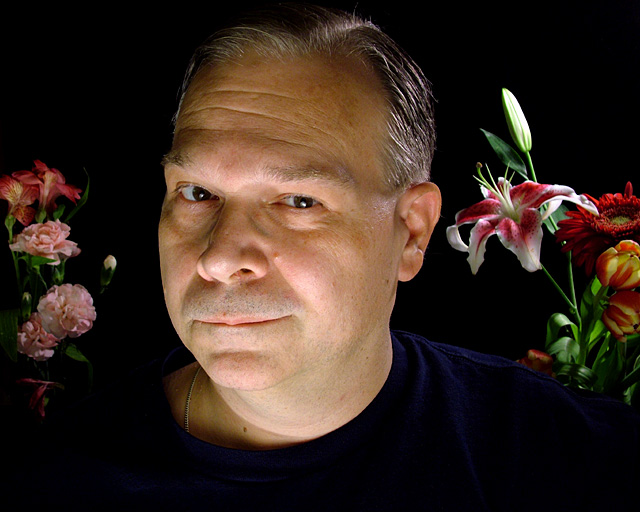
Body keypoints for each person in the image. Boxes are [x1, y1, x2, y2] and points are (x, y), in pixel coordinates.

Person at [7, 3, 640, 510]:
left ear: (413, 232)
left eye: (298, 200)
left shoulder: (573, 465)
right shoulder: (56, 484)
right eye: (198, 192)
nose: (220, 259)